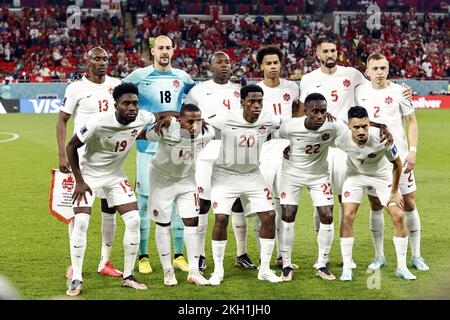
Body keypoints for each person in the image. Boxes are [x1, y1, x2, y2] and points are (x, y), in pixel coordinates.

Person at [299, 36, 411, 268]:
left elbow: (377, 86)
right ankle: (324, 254)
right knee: (321, 201)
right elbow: (302, 113)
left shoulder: (352, 74)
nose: (330, 55)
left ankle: (343, 255)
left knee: (343, 200)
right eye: (326, 51)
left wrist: (403, 90)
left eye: (334, 50)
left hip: (345, 147)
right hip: (320, 147)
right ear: (317, 54)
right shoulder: (308, 79)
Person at [65, 83, 163, 296]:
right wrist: (80, 181)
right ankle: (76, 277)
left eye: (135, 103)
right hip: (88, 176)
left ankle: (128, 275)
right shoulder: (98, 123)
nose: (132, 108)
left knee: (134, 219)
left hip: (115, 176)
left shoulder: (142, 118)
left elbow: (161, 115)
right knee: (81, 221)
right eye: (126, 103)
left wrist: (177, 118)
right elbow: (71, 147)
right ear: (115, 105)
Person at [123, 35, 195, 274]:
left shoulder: (183, 78)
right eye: (160, 48)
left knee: (175, 202)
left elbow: (196, 102)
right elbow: (120, 96)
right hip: (146, 147)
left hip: (174, 147)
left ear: (173, 51)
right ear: (152, 51)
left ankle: (178, 255)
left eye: (168, 48)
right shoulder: (138, 76)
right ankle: (143, 256)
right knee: (143, 202)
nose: (164, 51)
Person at [356, 52, 429, 271]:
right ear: (367, 71)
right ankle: (379, 256)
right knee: (376, 205)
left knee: (409, 203)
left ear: (388, 69)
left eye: (383, 68)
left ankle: (416, 256)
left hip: (400, 159)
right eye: (375, 68)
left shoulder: (399, 91)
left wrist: (413, 150)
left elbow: (412, 122)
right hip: (373, 161)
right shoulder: (359, 91)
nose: (379, 72)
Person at [185, 51, 256, 271]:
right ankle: (199, 255)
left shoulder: (239, 89)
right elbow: (188, 118)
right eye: (219, 62)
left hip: (236, 152)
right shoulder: (198, 90)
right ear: (210, 66)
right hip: (208, 152)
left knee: (237, 202)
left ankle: (241, 254)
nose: (224, 65)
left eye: (227, 62)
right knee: (204, 203)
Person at [56, 47, 123, 280]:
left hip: (109, 160)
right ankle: (75, 266)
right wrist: (62, 154)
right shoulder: (76, 88)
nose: (102, 62)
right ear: (88, 61)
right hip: (81, 159)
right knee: (79, 212)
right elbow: (62, 120)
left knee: (109, 209)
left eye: (105, 58)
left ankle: (105, 261)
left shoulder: (117, 84)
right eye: (97, 58)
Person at [206, 84, 283, 285]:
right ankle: (218, 270)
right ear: (242, 102)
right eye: (252, 101)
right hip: (225, 175)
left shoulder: (268, 118)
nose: (256, 106)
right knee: (221, 219)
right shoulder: (226, 118)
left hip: (252, 175)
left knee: (269, 215)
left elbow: (286, 126)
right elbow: (201, 124)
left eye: (259, 101)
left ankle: (264, 269)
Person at [335, 106, 416, 281]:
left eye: (365, 126)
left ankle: (401, 267)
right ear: (348, 125)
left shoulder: (381, 137)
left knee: (398, 215)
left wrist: (395, 192)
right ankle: (347, 267)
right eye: (356, 127)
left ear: (369, 123)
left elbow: (397, 163)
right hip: (355, 176)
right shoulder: (340, 138)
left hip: (382, 175)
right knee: (347, 215)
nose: (362, 131)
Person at [278, 93, 348, 281]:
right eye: (315, 111)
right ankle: (286, 264)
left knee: (327, 214)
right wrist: (286, 148)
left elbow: (355, 129)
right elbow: (275, 137)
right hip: (291, 174)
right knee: (287, 214)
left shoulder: (333, 125)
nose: (319, 115)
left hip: (318, 175)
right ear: (305, 111)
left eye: (323, 111)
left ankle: (322, 264)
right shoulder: (291, 126)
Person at [145, 104, 214, 286]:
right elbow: (140, 135)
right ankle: (168, 272)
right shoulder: (166, 128)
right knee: (163, 223)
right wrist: (160, 121)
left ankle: (194, 271)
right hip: (161, 179)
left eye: (197, 121)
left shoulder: (208, 132)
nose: (195, 126)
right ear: (180, 120)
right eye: (190, 122)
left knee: (192, 221)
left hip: (186, 179)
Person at [255, 45, 300, 268]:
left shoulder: (292, 88)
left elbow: (299, 114)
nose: (273, 67)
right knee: (262, 204)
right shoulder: (255, 90)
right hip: (262, 151)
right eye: (268, 64)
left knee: (285, 205)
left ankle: (283, 256)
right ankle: (264, 256)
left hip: (286, 151)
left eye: (276, 63)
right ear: (261, 67)